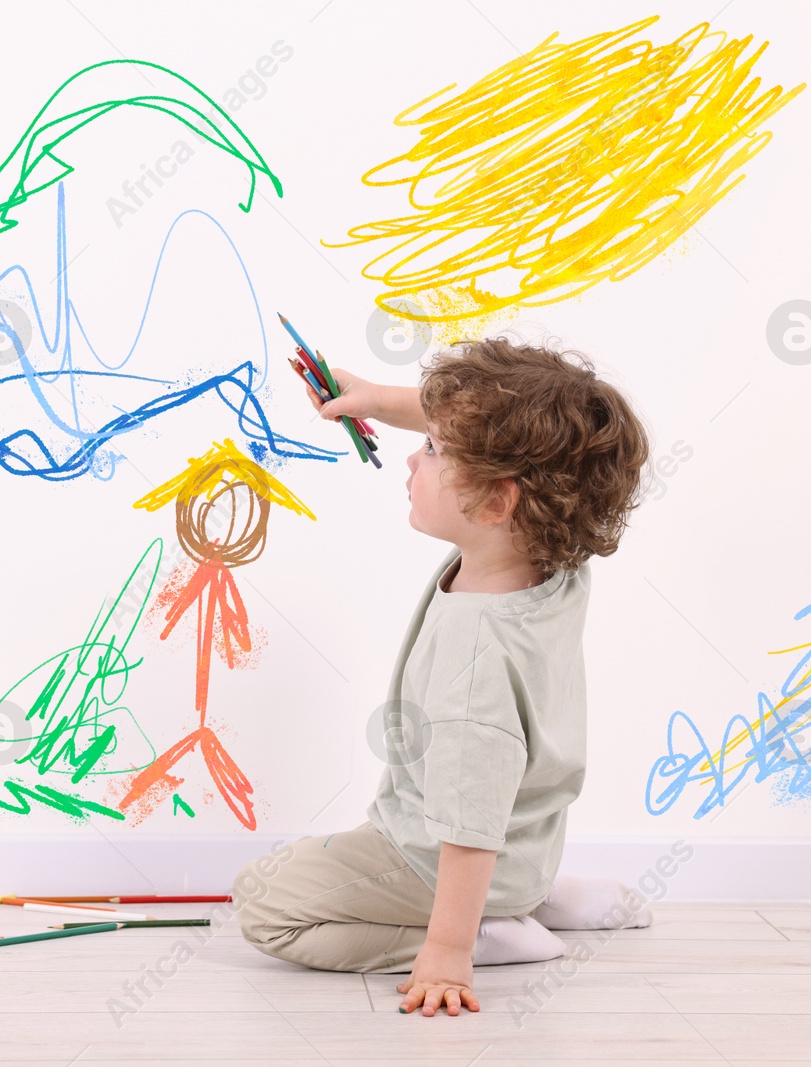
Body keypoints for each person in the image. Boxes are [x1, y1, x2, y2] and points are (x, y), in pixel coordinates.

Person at [233, 336, 654, 1017]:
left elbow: (467, 825)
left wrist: (449, 950)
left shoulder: (473, 668)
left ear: (496, 503)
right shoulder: (553, 558)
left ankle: (488, 931)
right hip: (527, 843)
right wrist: (371, 396)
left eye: (432, 450)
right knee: (483, 839)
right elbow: (486, 438)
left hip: (442, 858)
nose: (411, 453)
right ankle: (529, 894)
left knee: (262, 902)